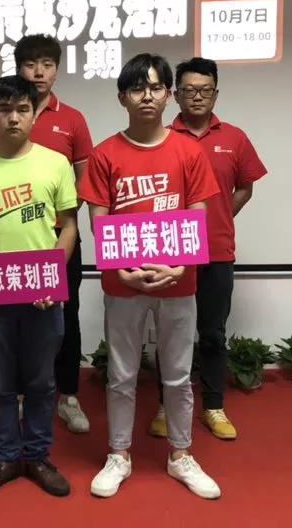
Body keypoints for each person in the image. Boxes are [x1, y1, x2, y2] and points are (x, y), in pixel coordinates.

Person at [78, 54, 222, 499]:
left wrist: (181, 266)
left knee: (177, 375)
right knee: (121, 374)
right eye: (137, 88)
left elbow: (199, 214)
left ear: (168, 95)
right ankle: (118, 454)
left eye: (156, 87)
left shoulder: (189, 152)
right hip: (123, 284)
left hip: (179, 281)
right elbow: (99, 221)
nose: (147, 96)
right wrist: (121, 268)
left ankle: (181, 455)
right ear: (122, 97)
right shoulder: (105, 154)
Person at [0, 75, 78, 497]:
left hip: (43, 295)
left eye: (22, 109)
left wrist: (53, 279)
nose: (13, 118)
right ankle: (6, 457)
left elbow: (69, 226)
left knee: (42, 382)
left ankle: (37, 456)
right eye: (4, 109)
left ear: (33, 115)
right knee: (0, 383)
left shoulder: (55, 163)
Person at [148, 57, 267, 441]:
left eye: (205, 90)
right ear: (175, 95)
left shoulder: (234, 138)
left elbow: (246, 186)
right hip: (171, 254)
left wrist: (219, 216)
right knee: (170, 335)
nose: (197, 97)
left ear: (216, 94)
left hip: (216, 252)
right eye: (189, 90)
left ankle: (213, 406)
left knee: (213, 333)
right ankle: (165, 406)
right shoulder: (162, 137)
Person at [0, 34, 94, 434]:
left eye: (47, 64)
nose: (39, 72)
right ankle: (19, 396)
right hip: (11, 242)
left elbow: (84, 181)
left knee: (65, 316)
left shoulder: (73, 119)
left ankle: (68, 396)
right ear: (18, 68)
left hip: (59, 239)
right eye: (30, 64)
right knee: (12, 321)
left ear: (57, 69)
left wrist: (56, 225)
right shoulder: (2, 117)